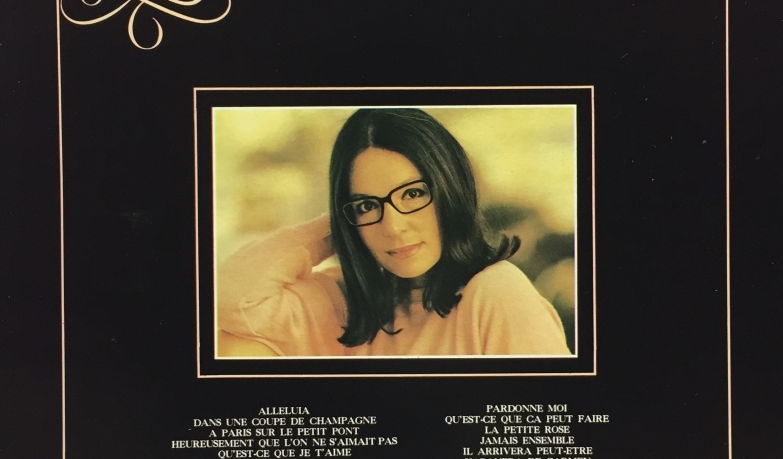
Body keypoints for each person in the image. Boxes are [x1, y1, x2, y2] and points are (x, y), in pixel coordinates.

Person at [216, 108, 571, 357]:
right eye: (366, 205)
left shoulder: (495, 292)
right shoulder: (342, 301)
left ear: (450, 191)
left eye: (413, 194)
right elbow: (230, 299)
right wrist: (342, 227)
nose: (393, 227)